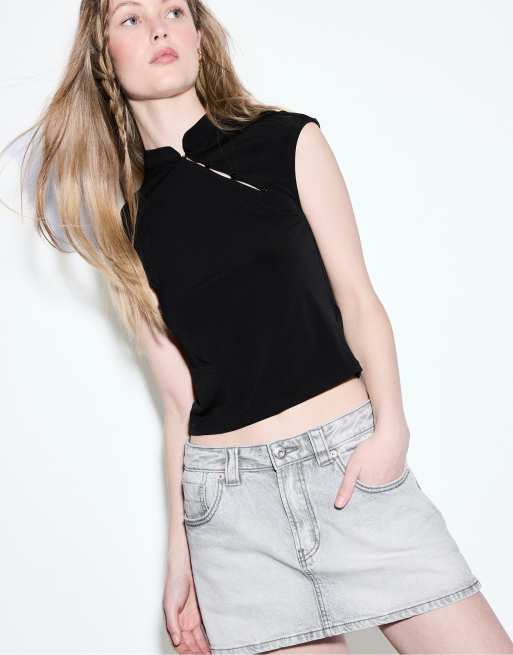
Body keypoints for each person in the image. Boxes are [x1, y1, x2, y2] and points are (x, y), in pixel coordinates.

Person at [5, 1, 512, 654]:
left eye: (174, 10)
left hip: (347, 470)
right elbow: (177, 397)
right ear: (103, 55)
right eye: (130, 18)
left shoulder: (287, 141)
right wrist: (181, 553)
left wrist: (391, 428)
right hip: (230, 510)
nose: (159, 27)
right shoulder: (121, 216)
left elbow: (358, 299)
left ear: (197, 34)